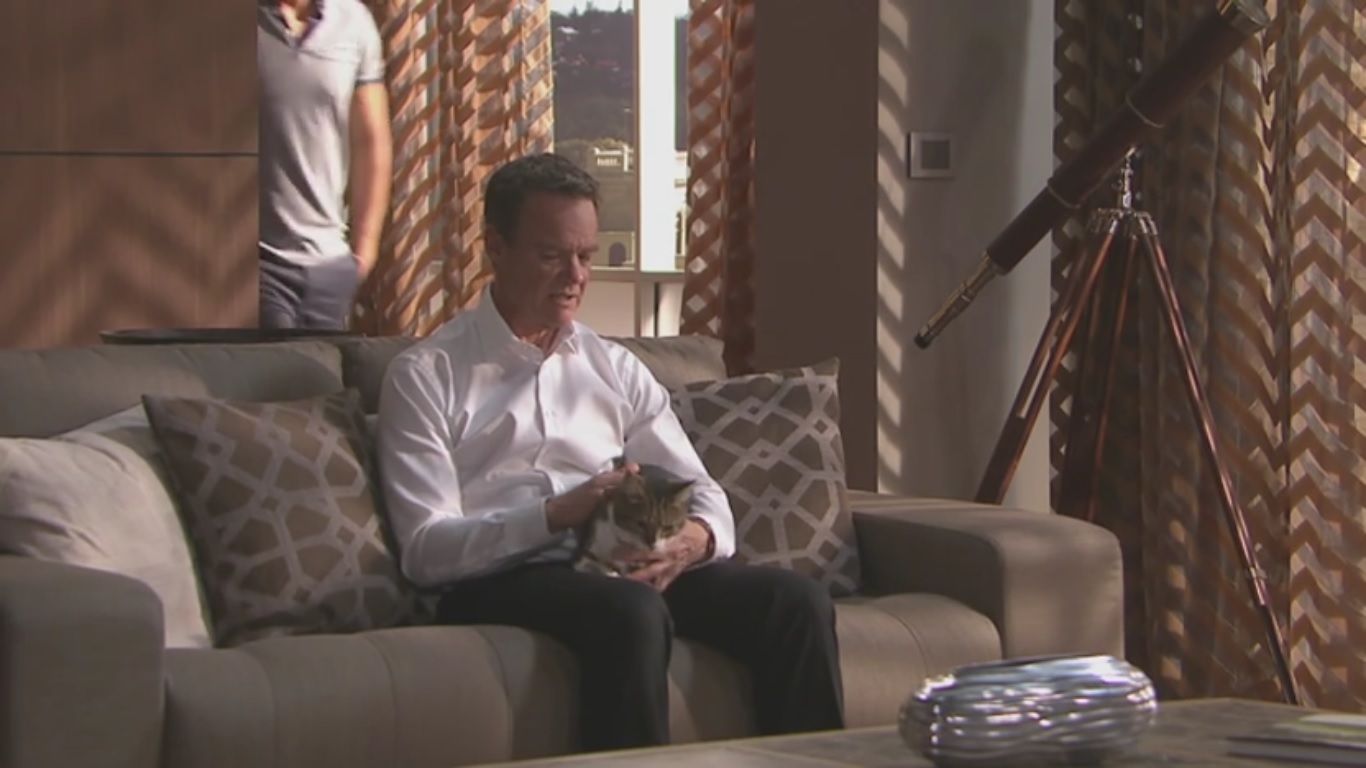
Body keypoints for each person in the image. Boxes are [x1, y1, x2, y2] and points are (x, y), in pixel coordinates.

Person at [376, 153, 844, 752]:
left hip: (614, 564)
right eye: (552, 256)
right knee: (630, 611)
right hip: (501, 578)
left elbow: (702, 491)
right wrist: (554, 514)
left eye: (586, 256)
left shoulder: (613, 367)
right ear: (496, 247)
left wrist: (690, 542)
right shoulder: (427, 374)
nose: (575, 276)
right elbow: (424, 550)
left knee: (795, 602)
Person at [257, 0, 392, 329]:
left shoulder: (353, 20)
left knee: (321, 362)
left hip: (328, 263)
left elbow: (370, 141)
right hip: (258, 262)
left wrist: (364, 249)